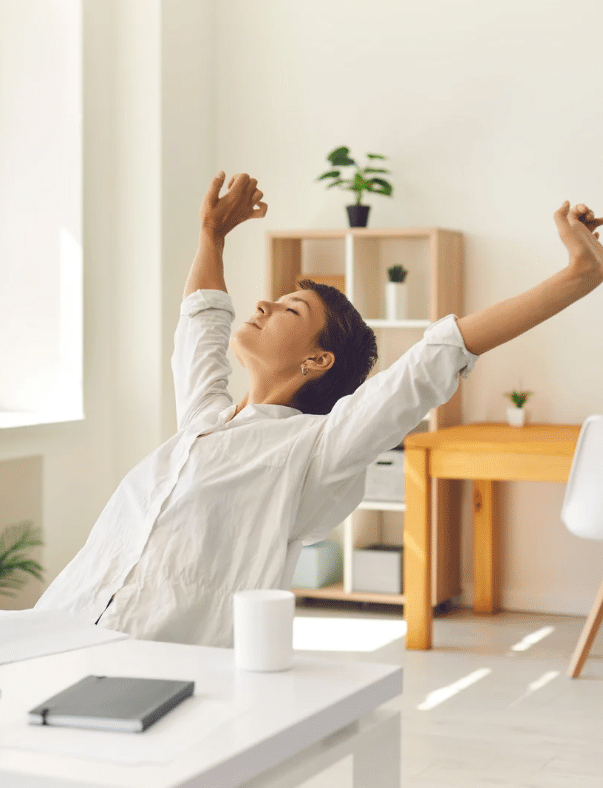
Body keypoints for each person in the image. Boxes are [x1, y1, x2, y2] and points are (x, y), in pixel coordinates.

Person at [35, 172, 603, 648]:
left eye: (290, 309)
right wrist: (212, 235)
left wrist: (579, 276)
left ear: (317, 359)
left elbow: (438, 355)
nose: (263, 303)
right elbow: (201, 322)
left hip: (152, 664)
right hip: (55, 626)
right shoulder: (203, 423)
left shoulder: (316, 450)